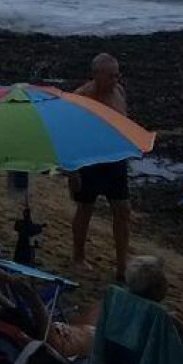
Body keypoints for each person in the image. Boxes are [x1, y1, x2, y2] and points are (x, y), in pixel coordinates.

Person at [69, 52, 133, 278]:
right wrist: (72, 170)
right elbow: (68, 136)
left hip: (116, 159)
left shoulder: (119, 92)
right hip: (89, 161)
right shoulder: (81, 98)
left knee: (123, 210)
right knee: (85, 209)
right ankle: (78, 257)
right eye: (110, 76)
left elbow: (124, 123)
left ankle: (122, 265)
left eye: (117, 75)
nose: (115, 80)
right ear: (96, 75)